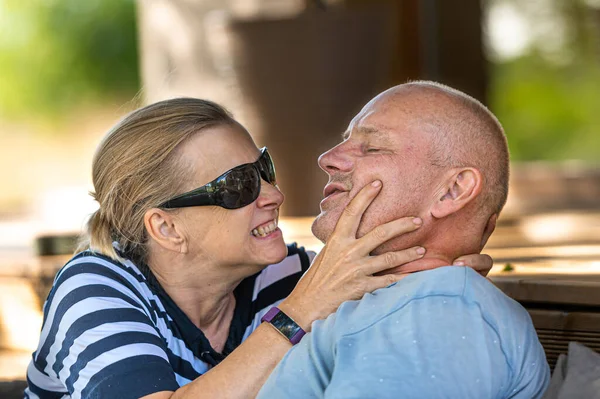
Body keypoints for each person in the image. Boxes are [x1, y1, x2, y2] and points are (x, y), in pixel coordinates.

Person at [25, 98, 490, 399]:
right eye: (239, 185)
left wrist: (440, 272)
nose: (272, 193)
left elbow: (382, 294)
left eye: (263, 168)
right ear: (166, 228)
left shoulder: (283, 275)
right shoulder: (94, 287)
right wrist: (299, 312)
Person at [258, 81, 551, 399]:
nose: (327, 158)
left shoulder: (434, 313)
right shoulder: (411, 304)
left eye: (372, 148)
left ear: (453, 190)